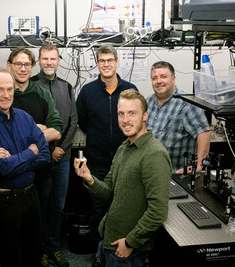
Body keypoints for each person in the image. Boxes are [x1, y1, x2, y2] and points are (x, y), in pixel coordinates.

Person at [74, 89, 172, 267]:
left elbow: (158, 212)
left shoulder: (154, 154)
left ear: (145, 116)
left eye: (132, 113)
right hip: (109, 238)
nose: (125, 120)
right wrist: (89, 179)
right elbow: (109, 192)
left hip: (127, 249)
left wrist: (129, 243)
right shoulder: (124, 148)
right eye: (121, 114)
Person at [0, 68, 50, 267]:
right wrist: (30, 151)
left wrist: (14, 159)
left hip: (31, 197)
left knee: (35, 253)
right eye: (0, 90)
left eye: (10, 89)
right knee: (10, 257)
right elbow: (3, 168)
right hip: (5, 202)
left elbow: (45, 156)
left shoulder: (25, 117)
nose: (6, 95)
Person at [76, 44, 138, 265]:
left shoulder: (130, 90)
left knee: (126, 210)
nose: (106, 64)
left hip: (127, 162)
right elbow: (83, 122)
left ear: (117, 62)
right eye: (102, 60)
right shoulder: (87, 92)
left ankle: (123, 252)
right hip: (99, 164)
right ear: (97, 63)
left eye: (110, 60)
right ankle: (100, 253)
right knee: (98, 212)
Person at [31, 44, 78, 267]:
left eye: (53, 59)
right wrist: (49, 151)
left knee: (58, 206)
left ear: (59, 61)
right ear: (39, 61)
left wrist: (61, 149)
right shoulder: (30, 87)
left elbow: (73, 121)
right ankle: (39, 250)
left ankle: (53, 248)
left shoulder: (67, 87)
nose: (49, 63)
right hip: (40, 160)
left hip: (63, 159)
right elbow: (30, 127)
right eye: (45, 59)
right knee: (41, 206)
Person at [146, 61, 211, 173]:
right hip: (150, 172)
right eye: (154, 78)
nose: (159, 81)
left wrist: (199, 164)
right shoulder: (147, 103)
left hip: (176, 174)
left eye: (163, 77)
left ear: (173, 79)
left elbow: (204, 133)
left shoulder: (187, 104)